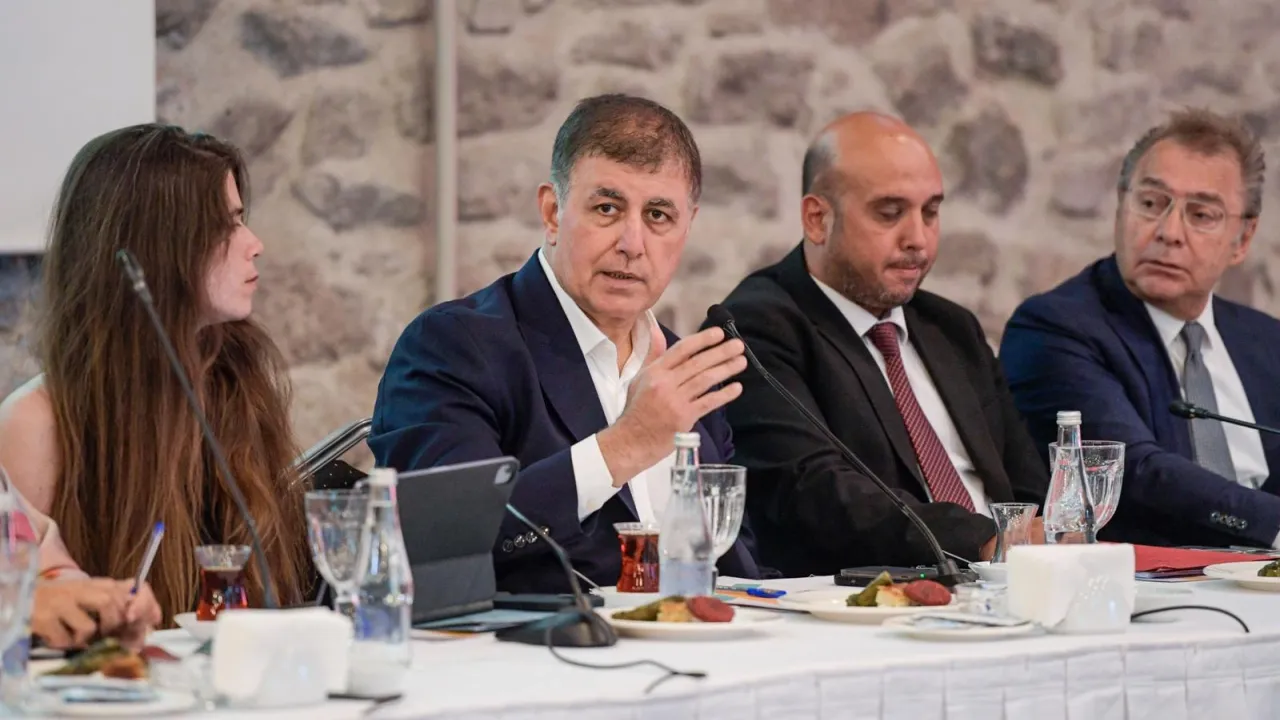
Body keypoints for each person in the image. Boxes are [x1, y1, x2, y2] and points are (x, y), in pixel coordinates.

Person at [370, 94, 763, 593]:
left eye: (658, 215)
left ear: (687, 228)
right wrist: (625, 444)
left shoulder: (687, 370)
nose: (632, 243)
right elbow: (442, 542)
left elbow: (735, 562)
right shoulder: (455, 346)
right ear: (553, 212)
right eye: (607, 208)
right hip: (539, 640)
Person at [711, 112, 1048, 577]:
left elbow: (1025, 483)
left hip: (1012, 580)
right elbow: (814, 492)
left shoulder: (952, 329)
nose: (918, 239)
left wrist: (1048, 545)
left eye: (930, 212)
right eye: (889, 213)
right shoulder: (758, 326)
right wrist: (982, 540)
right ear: (817, 219)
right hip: (875, 593)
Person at [0, 124, 312, 625]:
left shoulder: (234, 382)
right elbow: (20, 617)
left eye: (242, 219)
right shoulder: (36, 423)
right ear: (159, 246)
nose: (254, 244)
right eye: (226, 225)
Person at [1000, 108, 1280, 549]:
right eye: (1151, 204)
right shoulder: (1054, 329)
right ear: (1121, 206)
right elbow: (1135, 470)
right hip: (1145, 580)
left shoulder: (1266, 341)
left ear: (1242, 239)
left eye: (1201, 214)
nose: (1169, 232)